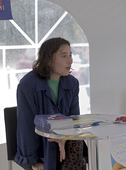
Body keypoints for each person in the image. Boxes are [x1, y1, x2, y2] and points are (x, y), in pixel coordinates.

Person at [14, 37, 87, 170]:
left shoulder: (72, 83)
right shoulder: (27, 85)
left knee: (76, 144)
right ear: (48, 59)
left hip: (66, 142)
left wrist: (64, 139)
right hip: (40, 148)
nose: (70, 60)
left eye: (70, 55)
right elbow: (26, 126)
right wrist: (33, 161)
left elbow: (74, 119)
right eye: (64, 56)